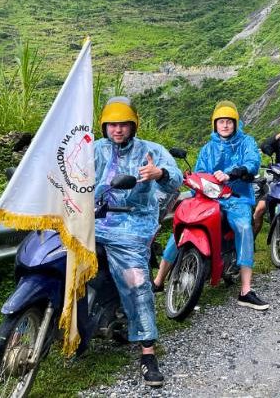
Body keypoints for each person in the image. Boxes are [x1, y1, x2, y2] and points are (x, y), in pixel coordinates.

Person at [94, 96, 183, 387]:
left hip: (133, 223)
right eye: (112, 124)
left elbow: (176, 179)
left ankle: (147, 352)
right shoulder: (93, 149)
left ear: (133, 126)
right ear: (104, 125)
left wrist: (160, 173)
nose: (117, 130)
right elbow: (68, 175)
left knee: (136, 282)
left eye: (123, 124)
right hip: (92, 221)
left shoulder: (151, 150)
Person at [152, 101, 268, 311]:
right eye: (221, 122)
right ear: (215, 124)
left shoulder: (246, 142)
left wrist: (234, 172)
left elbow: (252, 162)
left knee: (243, 227)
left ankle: (246, 290)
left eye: (228, 122)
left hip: (237, 197)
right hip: (209, 196)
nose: (225, 125)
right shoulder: (208, 148)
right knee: (182, 225)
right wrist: (194, 181)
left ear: (235, 123)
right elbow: (200, 170)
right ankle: (159, 280)